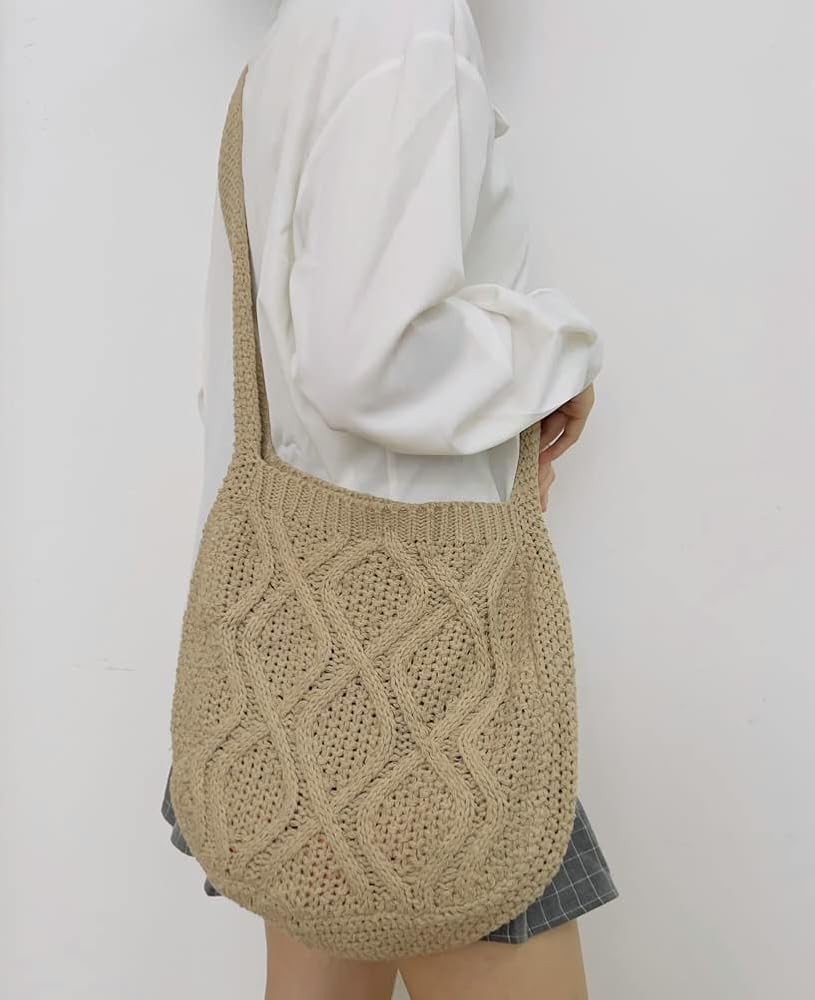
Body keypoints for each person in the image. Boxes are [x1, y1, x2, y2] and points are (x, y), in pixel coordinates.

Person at [161, 1, 618, 996]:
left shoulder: (303, 36)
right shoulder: (402, 20)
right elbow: (364, 360)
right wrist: (553, 352)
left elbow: (271, 370)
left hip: (291, 662)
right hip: (422, 679)